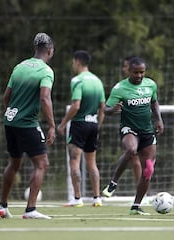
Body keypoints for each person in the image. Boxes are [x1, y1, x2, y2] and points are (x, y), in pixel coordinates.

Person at [0, 32, 55, 219]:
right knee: (42, 163)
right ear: (50, 51)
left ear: (34, 49)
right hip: (27, 123)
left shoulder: (20, 67)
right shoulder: (45, 71)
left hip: (10, 121)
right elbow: (45, 98)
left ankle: (2, 206)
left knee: (14, 163)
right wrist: (52, 125)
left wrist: (14, 112)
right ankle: (30, 209)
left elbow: (6, 97)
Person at [102, 57, 164, 215]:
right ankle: (113, 183)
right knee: (131, 150)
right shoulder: (120, 88)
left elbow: (154, 102)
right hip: (129, 129)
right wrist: (113, 109)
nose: (139, 75)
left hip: (147, 131)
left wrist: (159, 119)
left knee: (148, 170)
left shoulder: (150, 84)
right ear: (128, 71)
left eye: (142, 72)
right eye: (135, 72)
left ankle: (136, 206)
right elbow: (106, 110)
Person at [57, 50, 105, 207]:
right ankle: (97, 198)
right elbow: (103, 107)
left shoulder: (77, 80)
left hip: (79, 124)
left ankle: (77, 199)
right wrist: (97, 126)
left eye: (73, 62)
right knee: (92, 162)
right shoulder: (98, 81)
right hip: (93, 124)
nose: (72, 65)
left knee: (74, 160)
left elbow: (76, 105)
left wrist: (63, 123)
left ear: (77, 61)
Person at [121, 55, 142, 183]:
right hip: (129, 128)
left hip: (142, 128)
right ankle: (142, 192)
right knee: (134, 158)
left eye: (125, 66)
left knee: (139, 160)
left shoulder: (144, 85)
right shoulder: (122, 86)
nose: (123, 69)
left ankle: (142, 192)